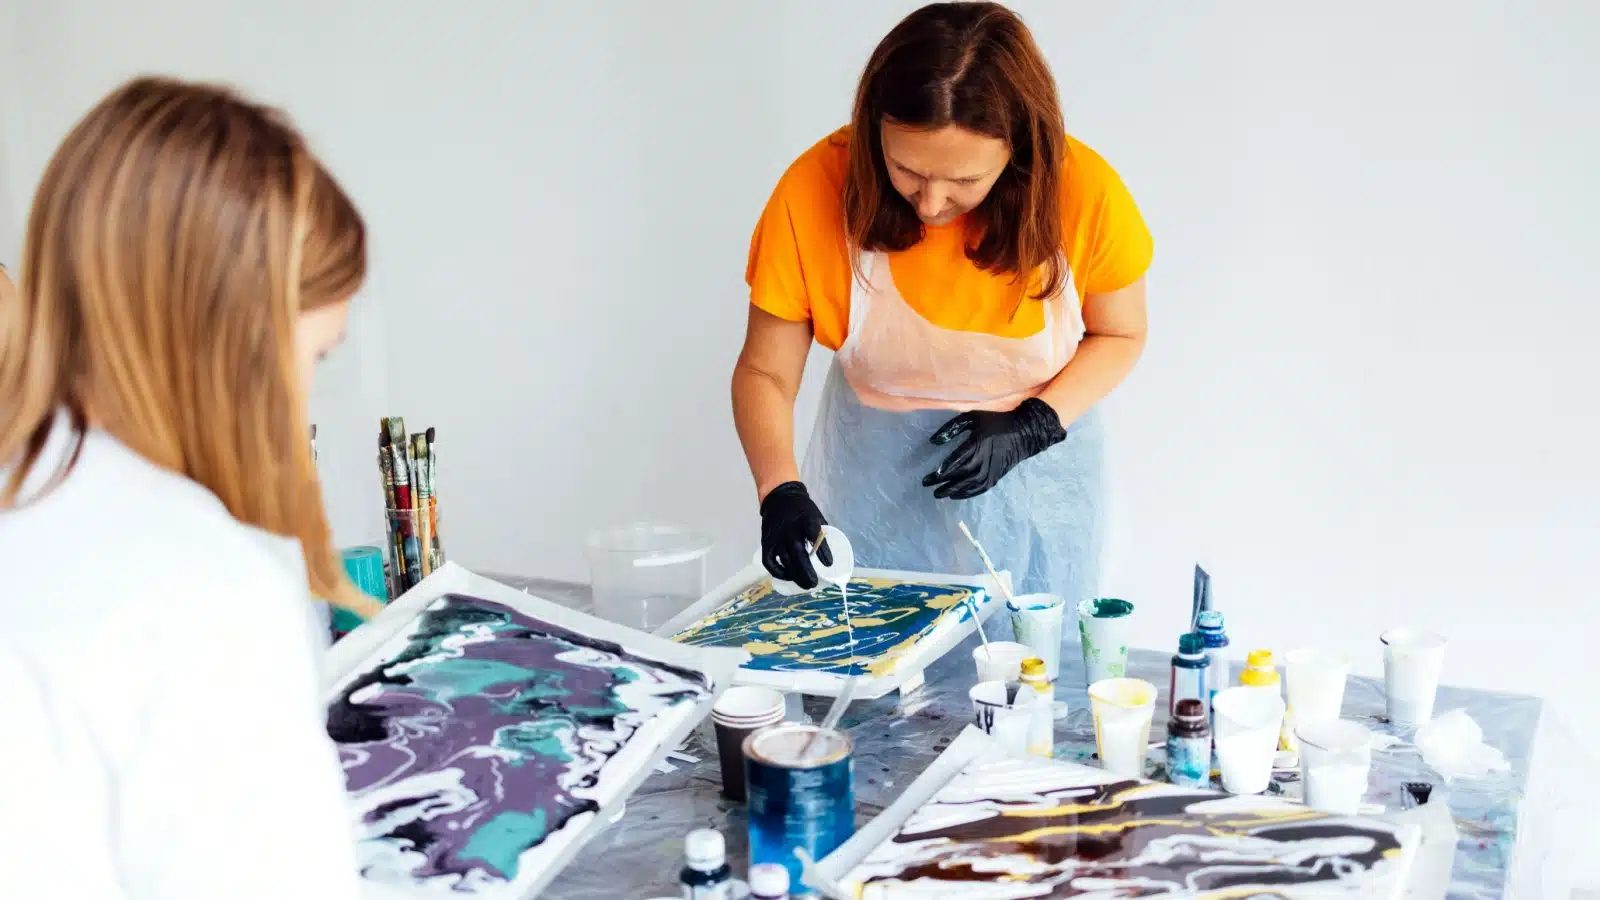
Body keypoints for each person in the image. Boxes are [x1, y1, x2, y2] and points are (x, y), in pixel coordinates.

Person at [0, 77, 375, 898]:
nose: (301, 399)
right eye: (312, 359)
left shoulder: (22, 496)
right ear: (229, 339)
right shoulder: (207, 590)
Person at [733, 2, 1153, 604]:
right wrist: (779, 490)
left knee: (1028, 676)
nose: (930, 205)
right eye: (905, 169)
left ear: (1018, 153)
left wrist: (1032, 425)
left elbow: (1121, 334)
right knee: (875, 671)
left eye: (964, 182)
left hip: (1039, 484)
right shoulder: (813, 191)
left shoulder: (1084, 194)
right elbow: (765, 371)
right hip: (872, 479)